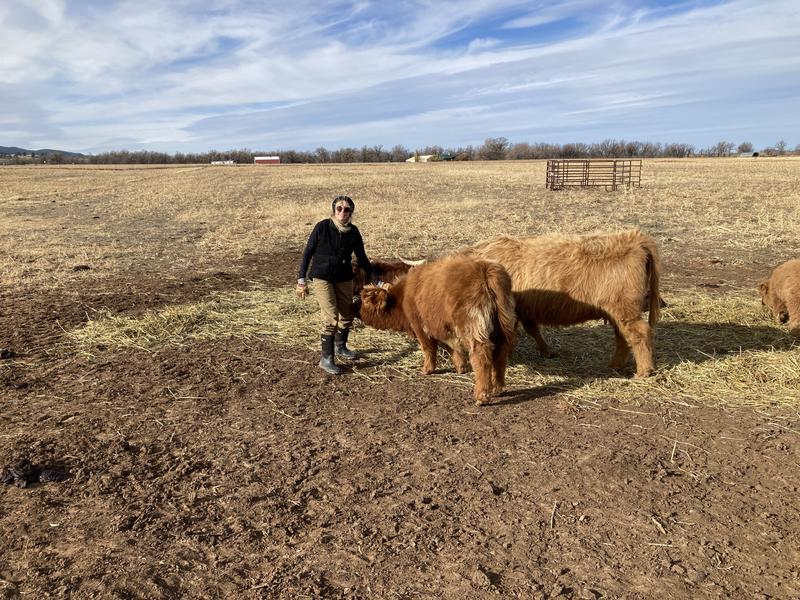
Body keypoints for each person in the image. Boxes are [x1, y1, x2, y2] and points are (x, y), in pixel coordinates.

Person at [296, 195, 374, 375]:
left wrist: (376, 278)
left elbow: (362, 258)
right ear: (334, 210)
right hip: (322, 277)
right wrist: (301, 280)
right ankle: (326, 359)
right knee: (331, 317)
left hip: (344, 277)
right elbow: (308, 253)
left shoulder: (353, 231)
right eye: (339, 208)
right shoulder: (322, 227)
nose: (342, 212)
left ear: (351, 213)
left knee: (347, 314)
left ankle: (341, 347)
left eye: (347, 209)